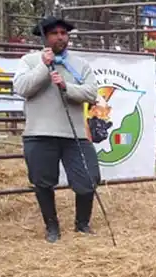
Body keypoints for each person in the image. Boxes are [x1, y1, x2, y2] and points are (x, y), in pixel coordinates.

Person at [12, 16, 100, 243]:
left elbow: (91, 93)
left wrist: (66, 87)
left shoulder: (80, 65)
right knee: (43, 182)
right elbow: (22, 88)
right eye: (55, 33)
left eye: (64, 33)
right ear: (45, 37)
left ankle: (82, 224)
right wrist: (44, 66)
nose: (61, 37)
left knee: (89, 179)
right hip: (39, 133)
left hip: (75, 135)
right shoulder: (29, 61)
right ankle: (52, 227)